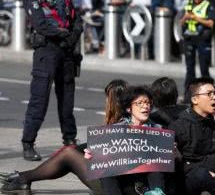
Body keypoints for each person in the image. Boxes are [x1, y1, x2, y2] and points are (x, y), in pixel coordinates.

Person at [0, 79, 128, 195]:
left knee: (68, 154)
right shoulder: (129, 123)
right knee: (69, 155)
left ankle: (23, 178)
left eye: (107, 98)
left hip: (113, 188)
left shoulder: (121, 126)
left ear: (112, 101)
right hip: (118, 183)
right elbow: (92, 146)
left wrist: (71, 153)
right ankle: (24, 177)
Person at [21, 0, 84, 161]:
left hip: (67, 51)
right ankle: (28, 142)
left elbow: (77, 21)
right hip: (46, 51)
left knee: (67, 101)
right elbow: (40, 24)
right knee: (39, 99)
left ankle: (70, 140)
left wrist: (72, 37)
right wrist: (61, 34)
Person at [86, 86, 167, 195]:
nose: (145, 106)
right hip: (125, 182)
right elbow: (101, 156)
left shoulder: (159, 130)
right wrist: (93, 155)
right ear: (129, 108)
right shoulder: (115, 130)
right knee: (106, 168)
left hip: (148, 183)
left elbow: (171, 161)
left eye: (148, 102)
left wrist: (175, 154)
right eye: (140, 103)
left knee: (155, 162)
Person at [179, 0, 215, 102]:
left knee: (204, 69)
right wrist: (185, 18)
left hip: (203, 39)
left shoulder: (208, 5)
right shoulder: (188, 5)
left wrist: (197, 18)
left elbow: (211, 23)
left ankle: (210, 95)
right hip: (190, 39)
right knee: (189, 70)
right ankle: (188, 97)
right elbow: (180, 22)